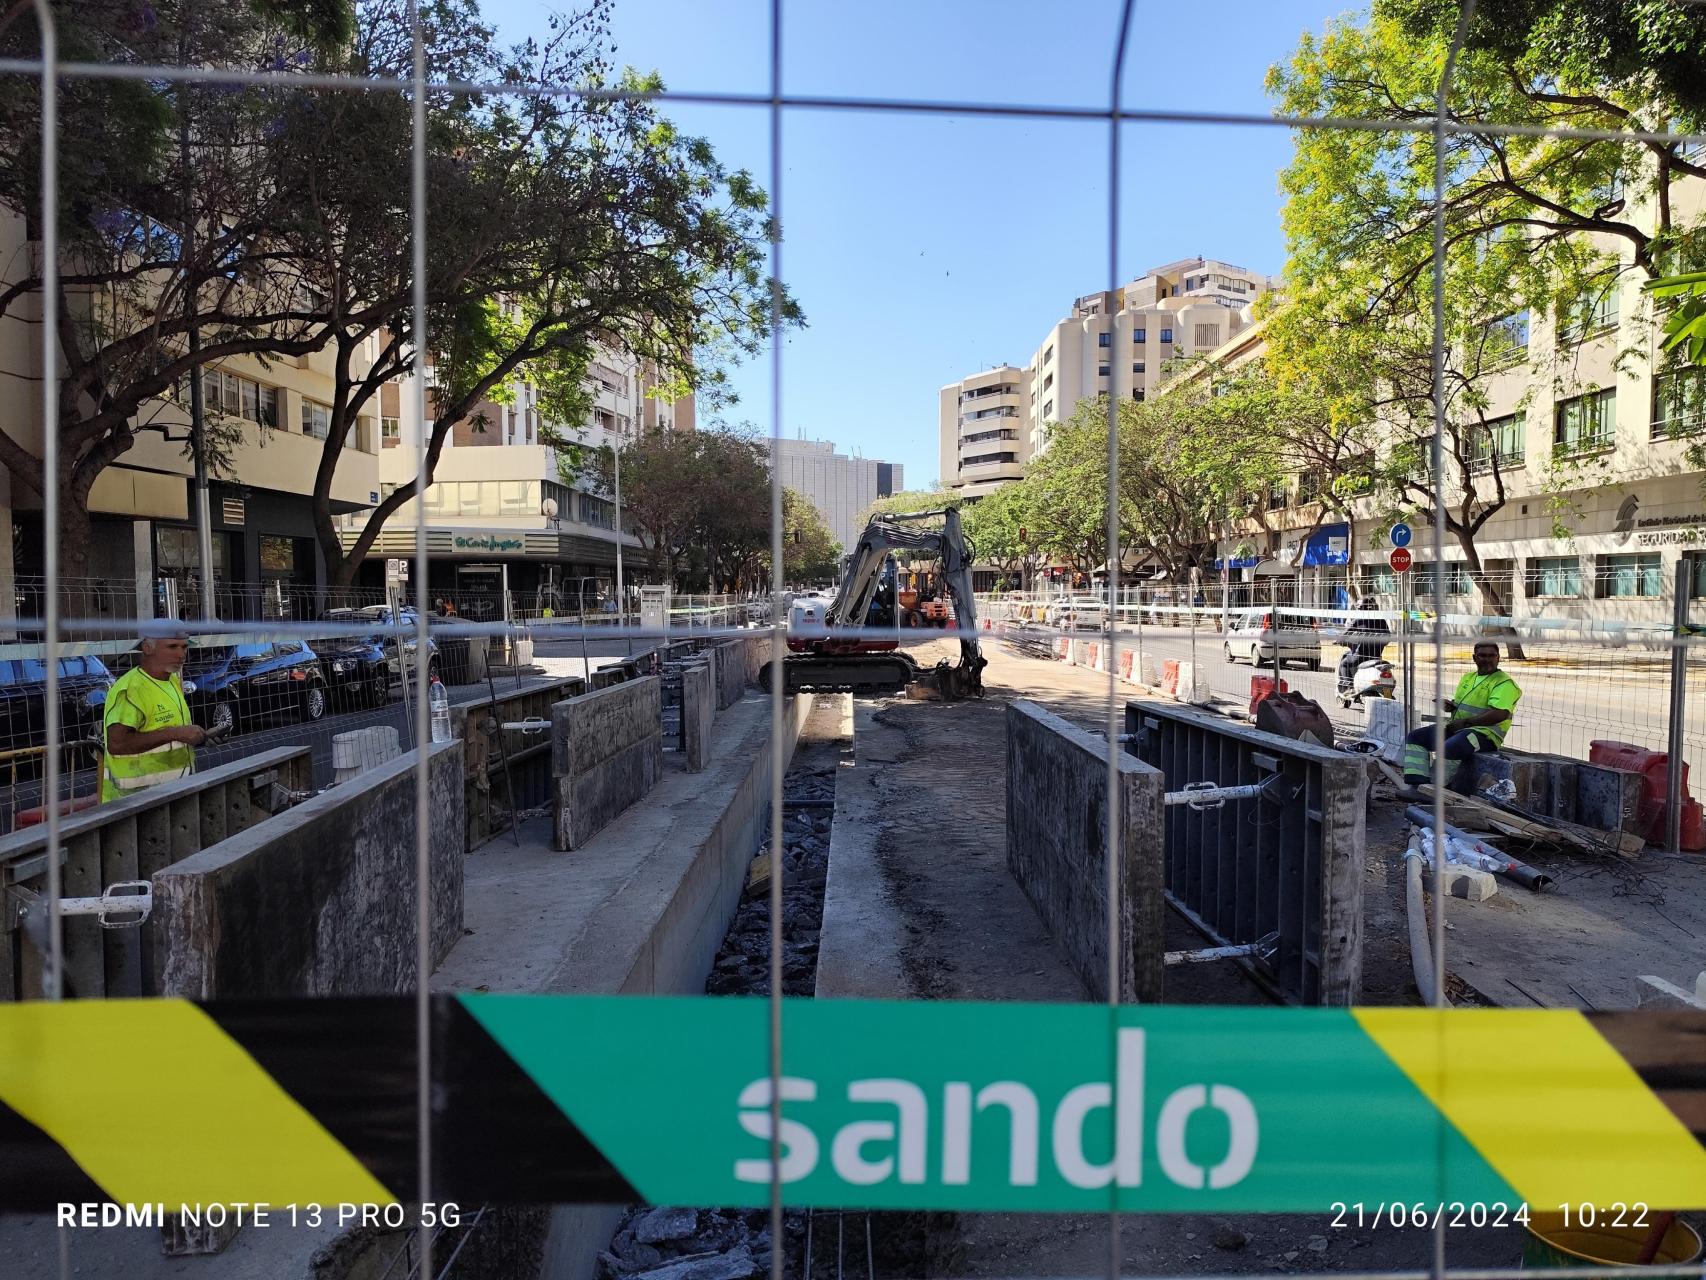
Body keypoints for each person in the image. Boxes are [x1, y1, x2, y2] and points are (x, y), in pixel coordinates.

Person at [1401, 640, 1522, 793]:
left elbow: (1500, 714)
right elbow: (1467, 706)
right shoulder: (1468, 678)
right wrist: (1451, 706)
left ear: (1498, 658)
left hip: (1485, 736)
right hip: (1461, 728)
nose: (1487, 659)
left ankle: (1434, 791)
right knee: (1416, 738)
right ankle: (1417, 785)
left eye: (1492, 655)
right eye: (1482, 655)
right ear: (1474, 658)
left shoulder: (1503, 683)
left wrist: (1465, 722)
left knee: (1451, 748)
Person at [101, 631, 207, 802]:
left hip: (168, 795)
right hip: (132, 803)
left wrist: (203, 737)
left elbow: (170, 735)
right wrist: (176, 733)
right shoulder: (132, 689)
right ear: (147, 648)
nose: (181, 654)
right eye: (172, 647)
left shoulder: (170, 681)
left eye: (184, 647)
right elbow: (117, 744)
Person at [1336, 597, 1392, 692]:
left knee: (1344, 664)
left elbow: (1346, 633)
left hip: (1361, 656)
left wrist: (1338, 640)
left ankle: (1349, 687)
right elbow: (1388, 637)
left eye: (1358, 607)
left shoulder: (1358, 620)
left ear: (1360, 608)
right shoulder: (1381, 620)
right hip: (1376, 657)